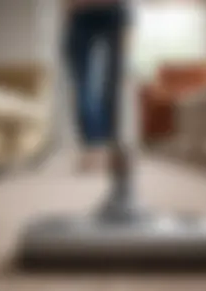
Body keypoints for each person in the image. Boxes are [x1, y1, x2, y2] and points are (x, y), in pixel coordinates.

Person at [64, 0, 129, 171]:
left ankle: (101, 148)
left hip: (111, 11)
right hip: (82, 12)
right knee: (85, 87)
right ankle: (96, 148)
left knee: (109, 87)